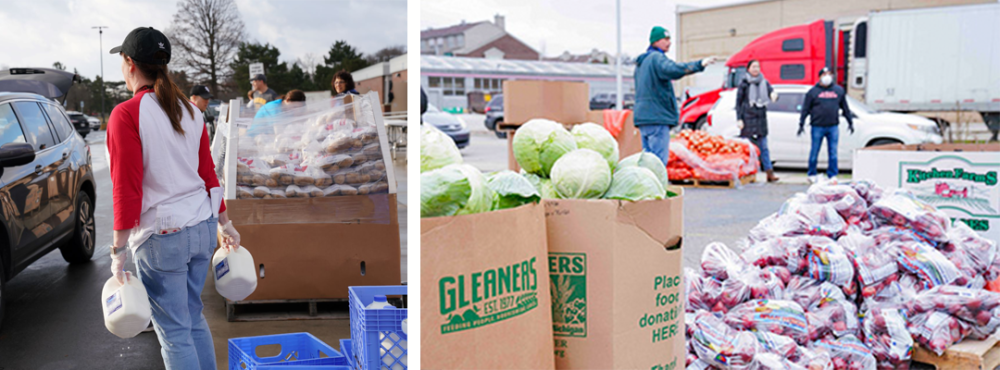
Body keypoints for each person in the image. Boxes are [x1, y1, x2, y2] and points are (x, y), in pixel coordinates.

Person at [106, 27, 241, 370]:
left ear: (129, 63)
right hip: (200, 226)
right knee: (193, 319)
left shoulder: (127, 114)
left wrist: (118, 250)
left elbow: (127, 187)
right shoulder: (191, 112)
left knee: (174, 332)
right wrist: (225, 223)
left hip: (163, 235)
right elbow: (208, 175)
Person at [634, 26, 715, 165]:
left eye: (670, 39)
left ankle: (648, 186)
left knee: (647, 162)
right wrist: (698, 64)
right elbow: (673, 69)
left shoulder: (642, 63)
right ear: (655, 41)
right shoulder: (657, 58)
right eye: (665, 39)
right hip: (657, 117)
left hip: (644, 118)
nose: (669, 42)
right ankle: (658, 186)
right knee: (658, 163)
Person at [798, 67, 854, 183]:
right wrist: (801, 123)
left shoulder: (838, 91)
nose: (827, 76)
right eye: (824, 74)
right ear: (819, 77)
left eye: (829, 74)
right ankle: (812, 173)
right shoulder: (813, 92)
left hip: (833, 126)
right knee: (815, 151)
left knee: (833, 152)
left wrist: (850, 122)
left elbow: (845, 107)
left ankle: (832, 174)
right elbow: (805, 109)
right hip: (817, 126)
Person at [735, 60, 780, 183]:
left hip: (760, 120)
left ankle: (769, 173)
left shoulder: (764, 82)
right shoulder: (744, 84)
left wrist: (774, 95)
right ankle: (748, 173)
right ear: (748, 69)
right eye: (753, 67)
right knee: (749, 149)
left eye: (758, 67)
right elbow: (738, 103)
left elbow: (771, 92)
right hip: (748, 119)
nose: (756, 69)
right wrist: (739, 119)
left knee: (764, 148)